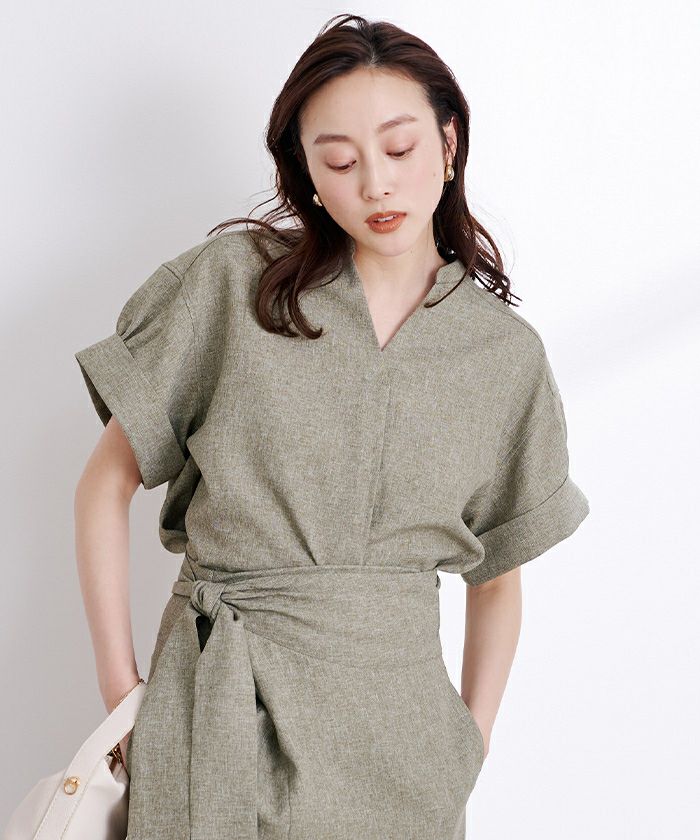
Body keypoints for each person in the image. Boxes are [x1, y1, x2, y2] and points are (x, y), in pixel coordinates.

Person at [73, 13, 589, 840]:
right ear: (306, 172)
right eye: (341, 161)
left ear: (449, 143)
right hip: (219, 710)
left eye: (400, 148)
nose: (376, 184)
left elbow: (498, 576)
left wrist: (471, 741)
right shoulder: (232, 287)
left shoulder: (502, 354)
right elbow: (105, 481)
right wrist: (122, 693)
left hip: (405, 746)